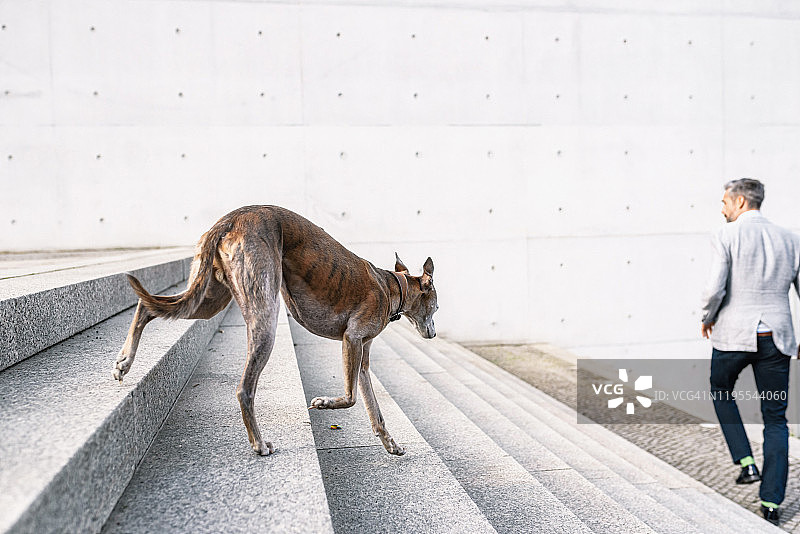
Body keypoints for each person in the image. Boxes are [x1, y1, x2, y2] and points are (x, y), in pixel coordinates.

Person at [700, 178, 800, 526]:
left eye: (725, 200)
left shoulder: (725, 235)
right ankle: (771, 502)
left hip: (733, 337)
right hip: (776, 338)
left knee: (720, 390)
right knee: (776, 419)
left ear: (740, 202)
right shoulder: (790, 238)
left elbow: (715, 288)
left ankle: (745, 462)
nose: (722, 207)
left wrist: (706, 318)